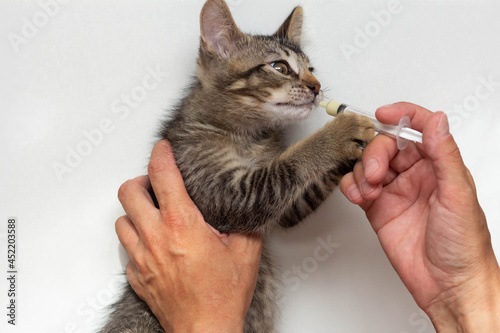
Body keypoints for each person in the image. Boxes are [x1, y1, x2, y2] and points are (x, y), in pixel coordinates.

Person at [115, 102, 500, 332]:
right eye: (282, 67)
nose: (311, 85)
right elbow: (242, 205)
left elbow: (276, 211)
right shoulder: (198, 134)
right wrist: (466, 286)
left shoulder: (263, 141)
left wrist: (203, 322)